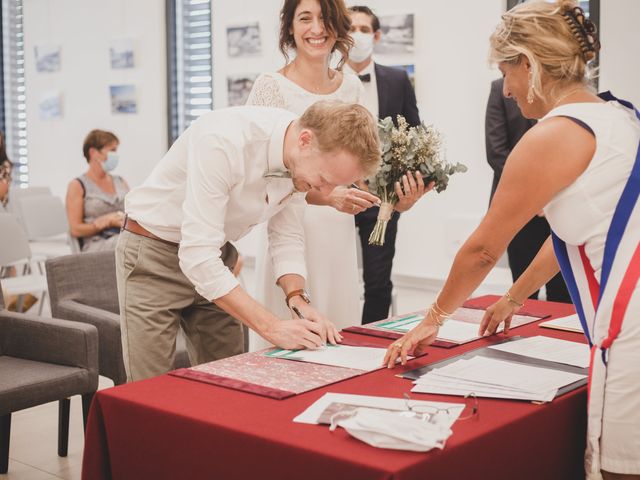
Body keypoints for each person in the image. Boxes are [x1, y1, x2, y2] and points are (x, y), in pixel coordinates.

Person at [384, 2, 639, 479]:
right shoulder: (619, 116)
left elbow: (484, 247)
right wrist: (514, 297)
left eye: (507, 71)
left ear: (530, 63)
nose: (506, 88)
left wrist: (432, 320)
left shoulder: (553, 134)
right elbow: (574, 233)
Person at [117, 100, 380, 382]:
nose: (327, 193)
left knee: (229, 380)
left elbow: (286, 235)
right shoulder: (222, 141)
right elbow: (197, 256)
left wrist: (299, 300)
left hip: (215, 258)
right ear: (305, 140)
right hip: (153, 257)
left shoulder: (300, 154)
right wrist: (272, 327)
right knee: (150, 391)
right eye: (324, 180)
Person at [247, 0, 426, 343]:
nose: (316, 29)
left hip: (338, 230)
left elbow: (358, 167)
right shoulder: (270, 87)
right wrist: (327, 196)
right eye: (305, 19)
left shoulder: (350, 86)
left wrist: (394, 200)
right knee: (289, 336)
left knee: (337, 327)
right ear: (289, 28)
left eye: (325, 19)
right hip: (289, 225)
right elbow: (263, 174)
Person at [345, 5, 424, 324]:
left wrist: (400, 185)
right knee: (335, 275)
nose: (357, 35)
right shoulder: (327, 79)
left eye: (364, 29)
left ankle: (370, 343)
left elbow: (415, 133)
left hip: (380, 200)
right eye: (350, 28)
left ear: (376, 36)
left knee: (378, 282)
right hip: (330, 197)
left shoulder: (397, 79)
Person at [486, 77, 571, 303]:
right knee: (522, 293)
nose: (506, 89)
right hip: (519, 208)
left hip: (561, 203)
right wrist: (534, 196)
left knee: (564, 292)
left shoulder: (564, 87)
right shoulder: (499, 89)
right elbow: (496, 152)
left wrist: (550, 194)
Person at [65, 129, 129, 252]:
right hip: (97, 244)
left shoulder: (120, 181)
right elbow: (75, 229)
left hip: (123, 237)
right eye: (112, 150)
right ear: (93, 153)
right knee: (133, 245)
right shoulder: (77, 185)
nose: (116, 155)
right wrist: (106, 222)